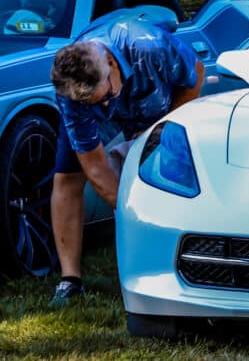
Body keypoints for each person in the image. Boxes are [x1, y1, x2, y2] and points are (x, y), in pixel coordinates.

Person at [48, 15, 203, 307]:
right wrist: (138, 214)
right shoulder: (72, 91)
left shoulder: (150, 46)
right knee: (67, 176)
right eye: (94, 102)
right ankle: (70, 280)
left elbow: (195, 74)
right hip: (103, 105)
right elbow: (95, 168)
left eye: (104, 97)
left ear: (113, 66)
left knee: (171, 168)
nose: (104, 107)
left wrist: (163, 129)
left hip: (157, 104)